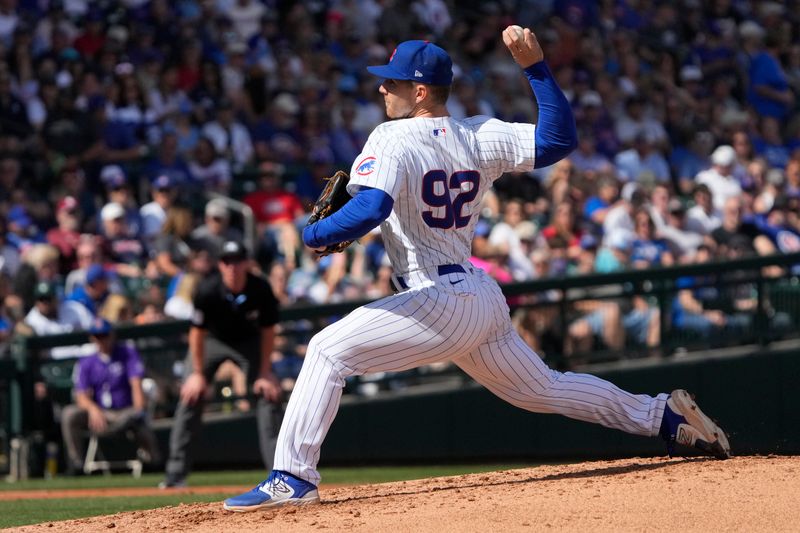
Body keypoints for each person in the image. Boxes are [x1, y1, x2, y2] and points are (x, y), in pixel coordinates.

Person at [223, 28, 731, 512]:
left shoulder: (392, 137)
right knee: (543, 390)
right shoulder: (478, 132)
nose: (383, 87)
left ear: (420, 92)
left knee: (326, 351)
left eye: (394, 81)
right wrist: (535, 68)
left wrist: (315, 235)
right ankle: (660, 415)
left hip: (436, 298)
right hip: (478, 297)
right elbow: (558, 140)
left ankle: (292, 477)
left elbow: (373, 208)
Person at [160, 240, 282, 488]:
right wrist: (196, 373)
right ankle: (175, 475)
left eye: (237, 261)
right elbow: (197, 333)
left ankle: (280, 473)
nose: (232, 267)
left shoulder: (260, 288)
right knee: (190, 394)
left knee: (268, 394)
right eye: (227, 261)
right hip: (213, 341)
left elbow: (268, 331)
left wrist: (265, 371)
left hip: (249, 341)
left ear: (247, 263)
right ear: (220, 264)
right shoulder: (208, 289)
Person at [60, 318, 160, 473]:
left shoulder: (127, 353)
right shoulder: (87, 361)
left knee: (136, 417)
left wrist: (139, 410)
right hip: (101, 414)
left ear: (112, 335)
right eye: (97, 336)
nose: (102, 340)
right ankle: (76, 465)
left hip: (125, 412)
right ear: (92, 338)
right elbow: (81, 396)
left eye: (105, 335)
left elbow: (136, 385)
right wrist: (93, 410)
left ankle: (154, 463)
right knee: (69, 413)